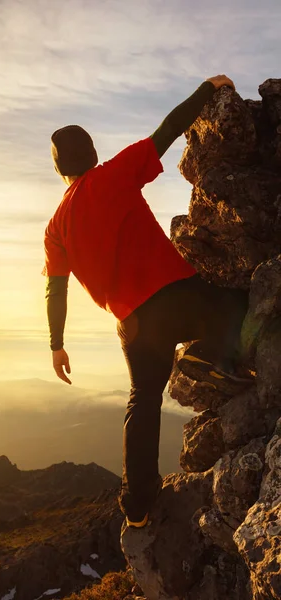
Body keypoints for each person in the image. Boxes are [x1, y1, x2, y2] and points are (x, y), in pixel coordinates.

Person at [42, 74, 252, 529]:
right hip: (177, 295)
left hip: (132, 323)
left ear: (60, 168)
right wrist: (207, 88)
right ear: (93, 155)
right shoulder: (113, 175)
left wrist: (57, 344)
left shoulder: (55, 226)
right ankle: (211, 354)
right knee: (241, 299)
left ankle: (136, 504)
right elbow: (168, 130)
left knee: (143, 400)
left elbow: (55, 289)